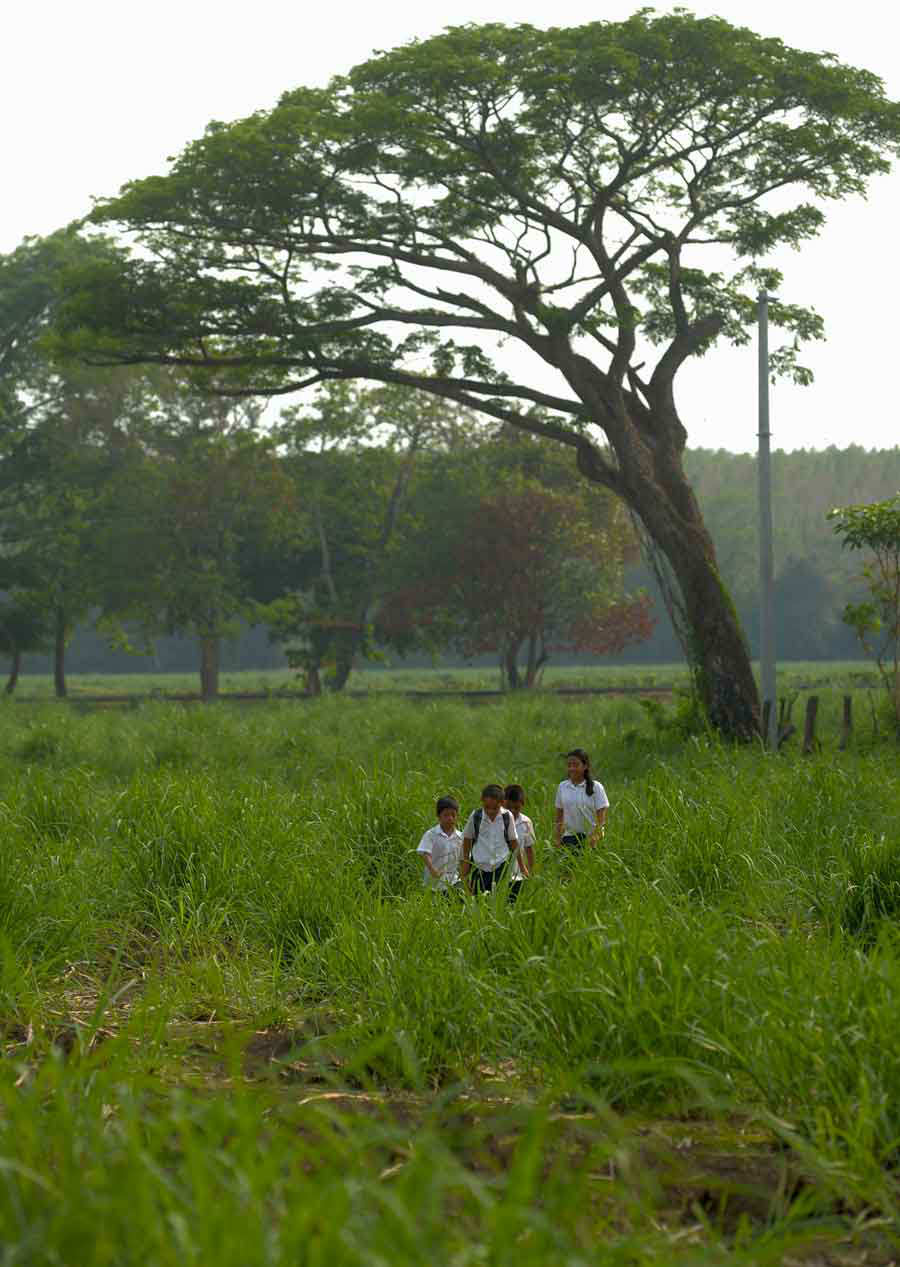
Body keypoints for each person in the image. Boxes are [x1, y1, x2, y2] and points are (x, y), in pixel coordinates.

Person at [461, 783, 522, 894]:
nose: (490, 811)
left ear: (502, 803)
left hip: (501, 865)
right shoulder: (476, 816)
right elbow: (467, 838)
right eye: (487, 807)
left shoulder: (507, 817)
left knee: (497, 897)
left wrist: (522, 867)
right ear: (482, 801)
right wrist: (465, 861)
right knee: (477, 896)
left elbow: (513, 842)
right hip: (479, 865)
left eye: (495, 808)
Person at [554, 749, 608, 852]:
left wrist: (595, 837)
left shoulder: (596, 787)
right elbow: (559, 817)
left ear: (585, 766)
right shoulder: (562, 787)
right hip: (568, 839)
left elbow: (601, 820)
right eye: (569, 765)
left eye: (575, 765)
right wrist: (557, 838)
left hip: (590, 840)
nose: (571, 768)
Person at [416, 795, 463, 893]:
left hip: (453, 881)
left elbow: (464, 857)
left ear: (457, 816)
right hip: (433, 883)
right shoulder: (431, 834)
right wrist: (433, 870)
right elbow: (425, 853)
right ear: (438, 816)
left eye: (453, 815)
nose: (450, 818)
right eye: (446, 815)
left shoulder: (460, 837)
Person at [503, 783, 535, 904]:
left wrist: (531, 871)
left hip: (517, 874)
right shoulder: (495, 820)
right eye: (508, 807)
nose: (512, 811)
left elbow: (529, 849)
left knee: (513, 904)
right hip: (497, 873)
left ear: (522, 804)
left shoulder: (526, 822)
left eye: (516, 808)